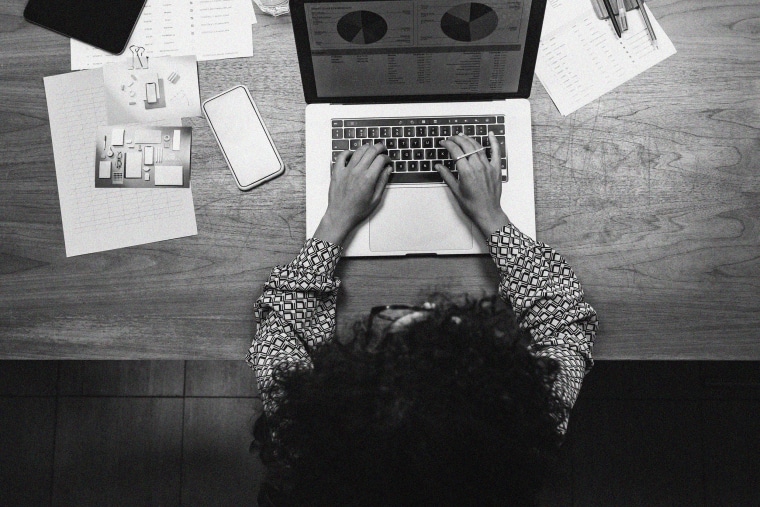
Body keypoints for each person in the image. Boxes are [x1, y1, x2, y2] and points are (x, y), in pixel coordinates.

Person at [246, 133, 598, 506]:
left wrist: (335, 219)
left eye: (392, 327)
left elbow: (281, 328)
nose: (428, 308)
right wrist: (494, 220)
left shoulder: (303, 438)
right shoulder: (523, 430)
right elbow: (563, 320)